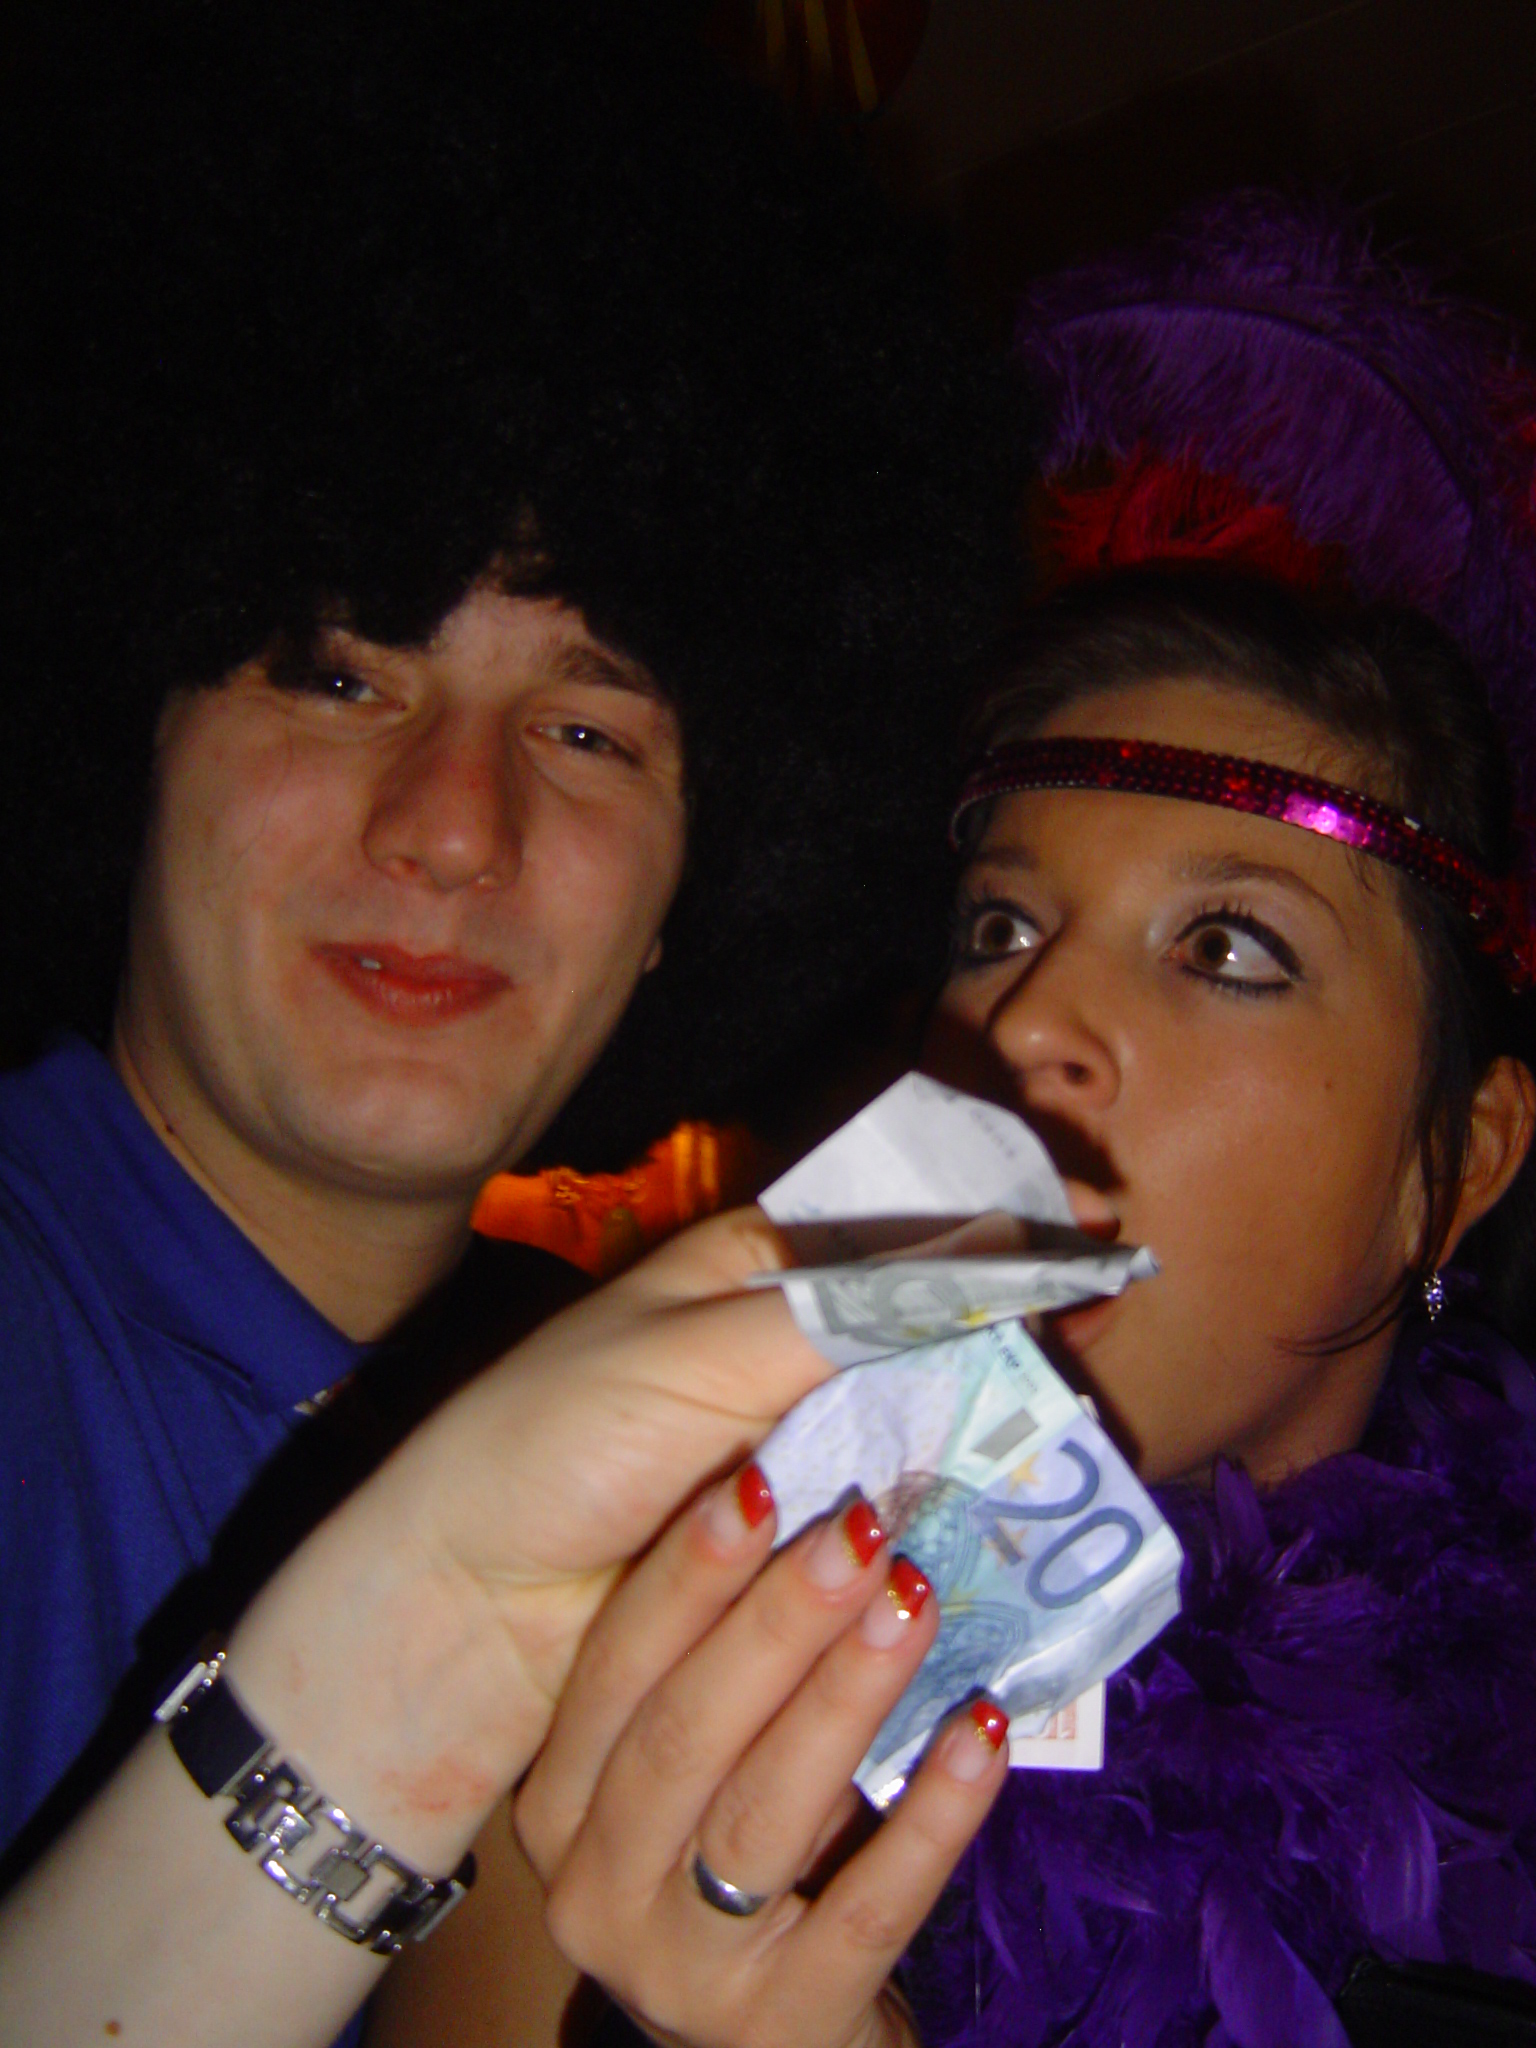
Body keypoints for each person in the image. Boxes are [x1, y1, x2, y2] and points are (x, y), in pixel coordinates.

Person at [0, 4, 1028, 2041]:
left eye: (584, 730)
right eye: (336, 674)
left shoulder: (678, 1468)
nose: (454, 827)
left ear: (696, 893)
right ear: (128, 724)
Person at [395, 570, 1536, 2046]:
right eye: (999, 929)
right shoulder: (631, 1660)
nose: (1026, 1019)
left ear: (1456, 1163)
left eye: (1225, 947)